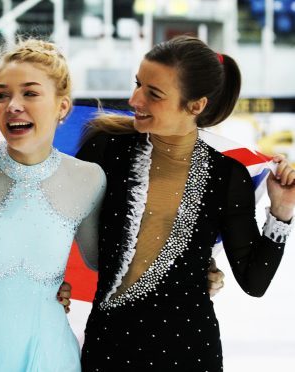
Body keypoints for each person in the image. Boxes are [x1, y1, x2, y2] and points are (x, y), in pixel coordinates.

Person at [77, 35, 295, 371]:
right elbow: (57, 221)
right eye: (138, 84)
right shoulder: (104, 149)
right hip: (110, 347)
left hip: (190, 351)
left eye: (154, 93)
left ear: (196, 106)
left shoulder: (228, 175)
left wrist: (281, 213)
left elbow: (255, 281)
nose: (134, 99)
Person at [0, 39, 106, 372]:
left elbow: (112, 264)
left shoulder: (88, 179)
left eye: (30, 93)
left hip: (50, 355)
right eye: (2, 95)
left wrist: (196, 269)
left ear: (62, 107)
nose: (13, 105)